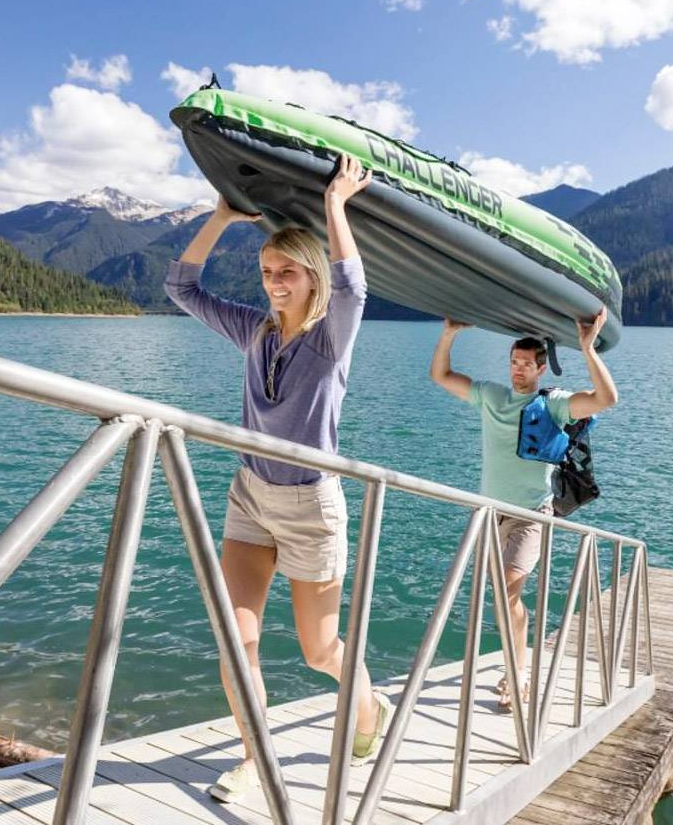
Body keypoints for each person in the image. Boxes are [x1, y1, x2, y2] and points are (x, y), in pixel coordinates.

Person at [164, 154, 389, 801]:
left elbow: (353, 289)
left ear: (311, 276)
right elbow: (182, 290)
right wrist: (219, 216)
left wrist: (335, 205)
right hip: (250, 499)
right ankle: (255, 758)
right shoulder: (253, 330)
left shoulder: (329, 339)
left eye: (286, 271)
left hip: (311, 506)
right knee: (238, 643)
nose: (273, 283)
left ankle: (369, 707)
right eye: (266, 272)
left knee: (320, 652)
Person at [429, 310, 618, 710]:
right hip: (489, 515)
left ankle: (519, 676)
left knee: (506, 590)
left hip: (532, 515)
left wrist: (587, 349)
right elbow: (441, 376)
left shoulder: (555, 406)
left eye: (526, 365)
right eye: (513, 363)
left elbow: (606, 399)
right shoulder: (492, 396)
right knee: (505, 601)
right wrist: (448, 335)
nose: (518, 371)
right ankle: (518, 662)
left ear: (540, 367)